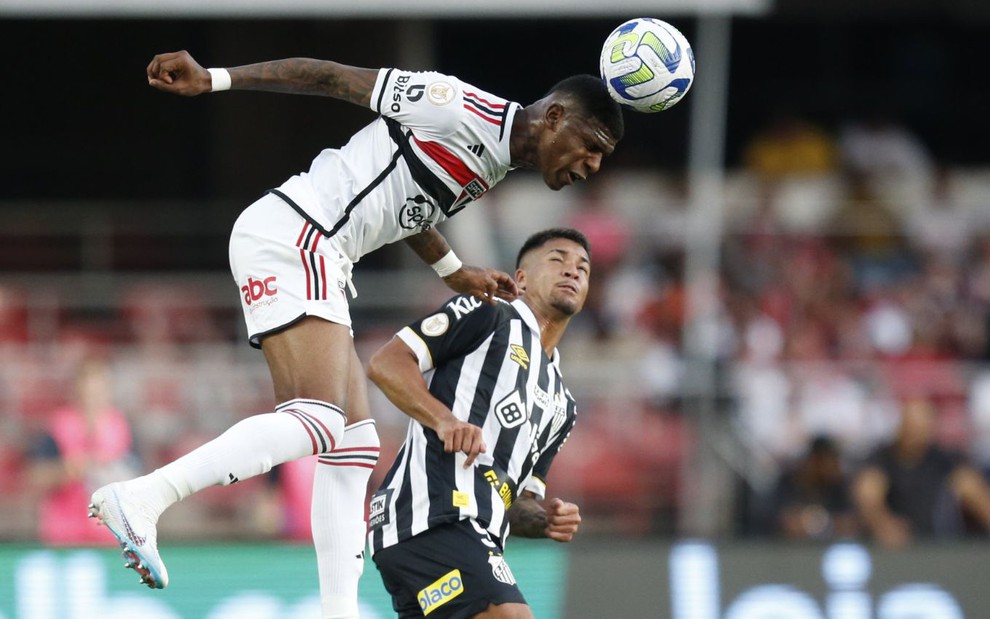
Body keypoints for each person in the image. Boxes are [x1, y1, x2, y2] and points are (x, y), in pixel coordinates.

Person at [87, 48, 623, 619]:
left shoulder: (494, 160)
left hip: (324, 252)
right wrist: (216, 79)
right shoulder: (459, 108)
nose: (590, 166)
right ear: (557, 117)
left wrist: (452, 270)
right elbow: (331, 78)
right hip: (299, 233)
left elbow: (409, 205)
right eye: (591, 146)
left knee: (354, 443)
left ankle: (335, 611)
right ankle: (144, 497)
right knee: (318, 419)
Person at [366, 228, 588, 618]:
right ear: (520, 279)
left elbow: (518, 503)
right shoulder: (489, 314)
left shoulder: (562, 406)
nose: (572, 272)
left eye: (583, 269)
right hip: (431, 516)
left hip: (475, 534)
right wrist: (445, 420)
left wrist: (546, 519)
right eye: (558, 260)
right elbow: (387, 363)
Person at [852, 396, 990, 548]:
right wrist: (883, 523)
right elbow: (868, 493)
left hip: (936, 542)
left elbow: (970, 487)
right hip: (896, 545)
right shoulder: (882, 457)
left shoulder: (941, 459)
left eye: (921, 427)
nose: (915, 433)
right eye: (911, 426)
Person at [29, 357, 140, 545]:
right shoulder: (58, 426)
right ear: (77, 391)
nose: (93, 397)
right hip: (65, 533)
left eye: (99, 389)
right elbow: (36, 476)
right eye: (88, 390)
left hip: (111, 535)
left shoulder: (122, 426)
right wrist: (68, 471)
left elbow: (137, 476)